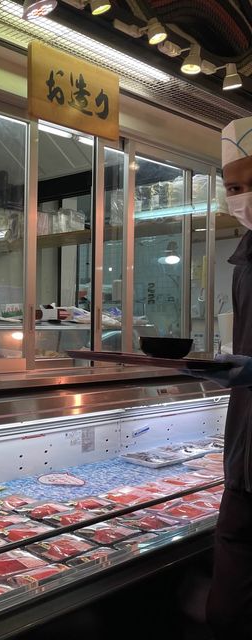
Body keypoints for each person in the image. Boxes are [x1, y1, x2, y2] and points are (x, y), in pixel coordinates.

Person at [184, 116, 252, 638]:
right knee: (226, 613)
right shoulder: (243, 255)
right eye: (234, 187)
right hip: (243, 464)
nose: (243, 197)